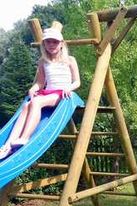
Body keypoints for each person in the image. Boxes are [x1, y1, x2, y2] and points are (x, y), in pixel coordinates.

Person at [0, 21, 80, 160]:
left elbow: (77, 81)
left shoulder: (70, 60)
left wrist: (69, 87)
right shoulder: (43, 61)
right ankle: (7, 145)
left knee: (36, 102)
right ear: (44, 45)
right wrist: (34, 88)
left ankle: (24, 137)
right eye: (48, 42)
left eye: (55, 42)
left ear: (61, 43)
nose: (51, 45)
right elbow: (40, 82)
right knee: (26, 106)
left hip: (62, 94)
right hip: (48, 93)